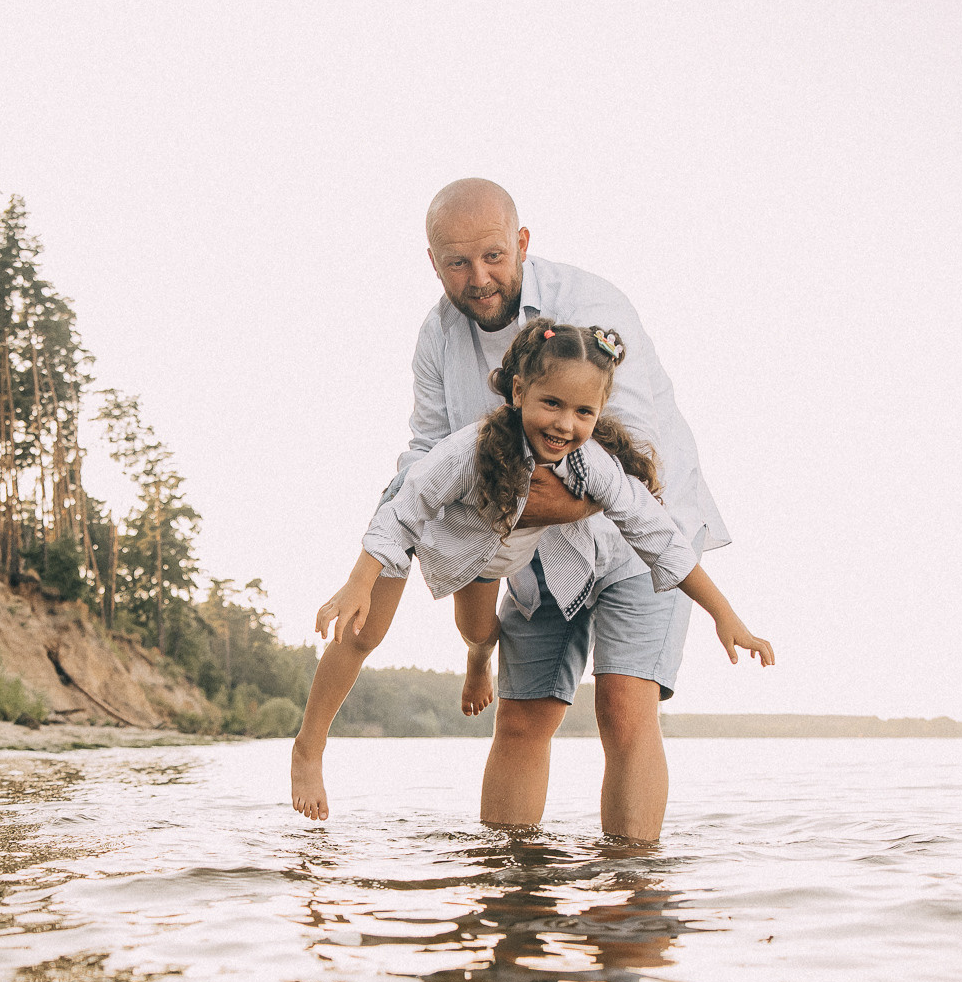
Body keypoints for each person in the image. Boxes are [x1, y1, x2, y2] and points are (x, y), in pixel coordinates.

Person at [291, 179, 732, 839]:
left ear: (522, 242)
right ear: (433, 262)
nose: (479, 278)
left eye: (494, 256)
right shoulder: (439, 336)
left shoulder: (591, 308)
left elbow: (635, 457)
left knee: (623, 704)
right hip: (522, 539)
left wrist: (728, 615)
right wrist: (393, 534)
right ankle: (509, 896)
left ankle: (631, 899)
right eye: (458, 262)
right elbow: (426, 451)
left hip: (632, 532)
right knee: (522, 715)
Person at [312, 318, 770, 835]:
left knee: (512, 647)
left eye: (583, 412)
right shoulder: (471, 450)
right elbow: (402, 509)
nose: (564, 424)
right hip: (460, 551)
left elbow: (658, 536)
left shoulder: (592, 465)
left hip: (515, 556)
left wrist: (726, 615)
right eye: (551, 403)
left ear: (599, 414)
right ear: (518, 391)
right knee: (475, 630)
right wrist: (358, 581)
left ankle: (627, 878)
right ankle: (472, 661)